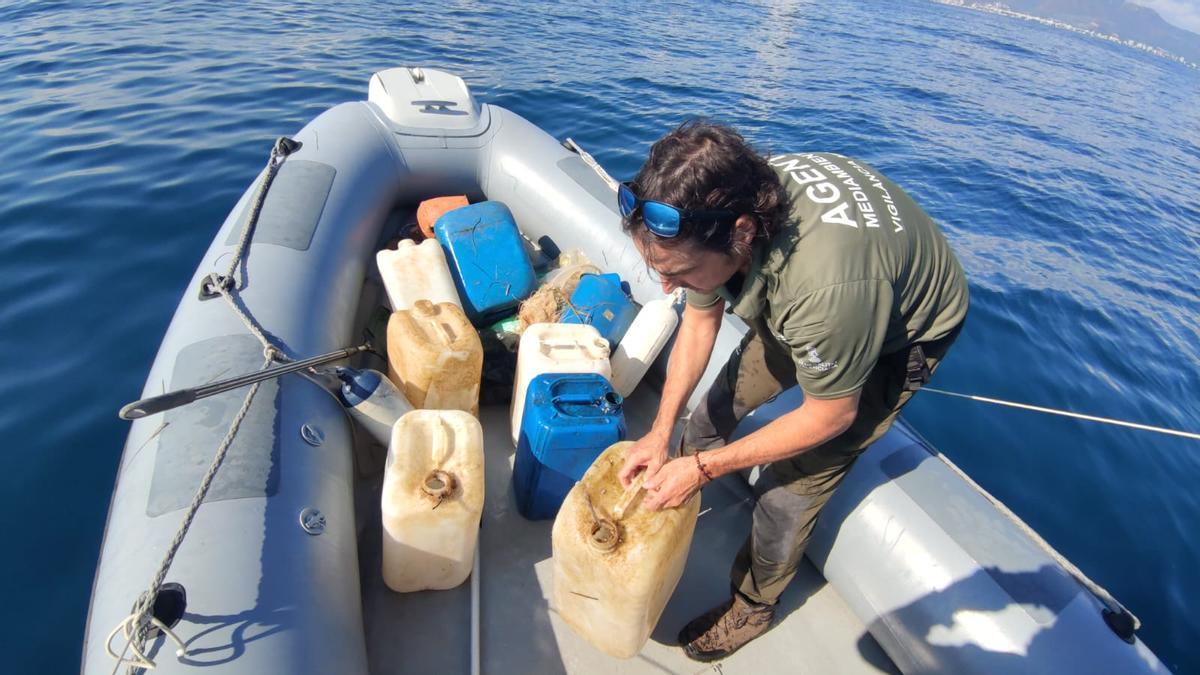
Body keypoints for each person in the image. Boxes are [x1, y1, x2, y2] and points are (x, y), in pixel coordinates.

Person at [615, 120, 969, 662]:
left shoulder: (824, 291)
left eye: (679, 272)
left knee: (788, 489)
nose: (665, 286)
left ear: (742, 234)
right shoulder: (717, 216)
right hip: (824, 299)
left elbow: (831, 415)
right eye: (658, 269)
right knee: (710, 414)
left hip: (900, 331)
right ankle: (675, 498)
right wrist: (660, 434)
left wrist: (708, 469)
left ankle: (754, 604)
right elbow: (699, 321)